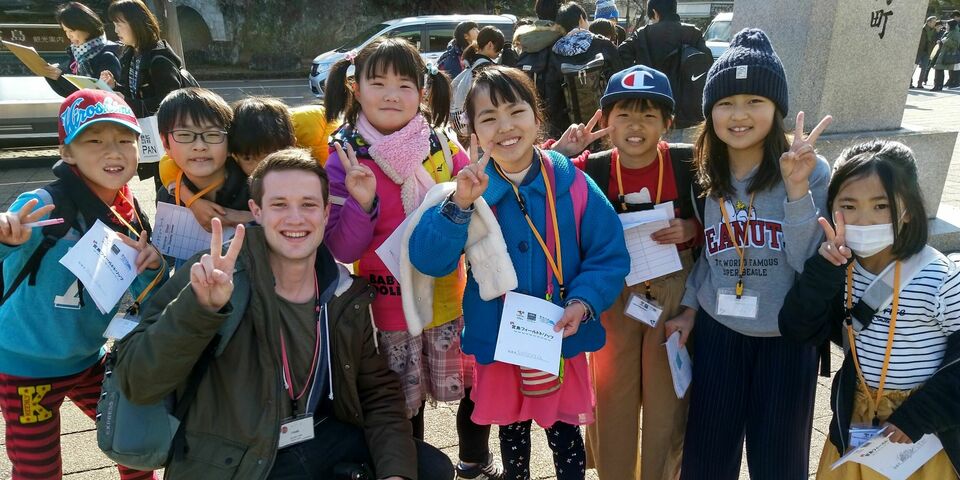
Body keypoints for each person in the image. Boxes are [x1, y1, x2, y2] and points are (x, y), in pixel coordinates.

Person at [112, 148, 454, 479]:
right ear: (256, 211)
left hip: (315, 434)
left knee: (429, 468)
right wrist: (199, 309)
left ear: (324, 213)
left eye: (308, 205)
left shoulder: (342, 292)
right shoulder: (214, 274)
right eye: (279, 205)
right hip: (233, 454)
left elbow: (377, 393)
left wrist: (396, 474)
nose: (295, 218)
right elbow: (137, 382)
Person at [409, 64, 630, 480]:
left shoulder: (574, 185)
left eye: (516, 111)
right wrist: (457, 206)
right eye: (489, 117)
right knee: (512, 439)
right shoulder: (469, 189)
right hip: (501, 340)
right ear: (472, 129)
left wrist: (583, 302)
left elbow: (609, 254)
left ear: (536, 115)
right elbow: (429, 259)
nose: (505, 127)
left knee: (567, 442)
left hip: (560, 335)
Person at [322, 38, 502, 479]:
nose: (391, 94)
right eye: (377, 82)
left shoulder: (441, 144)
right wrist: (362, 207)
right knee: (402, 403)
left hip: (450, 297)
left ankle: (474, 460)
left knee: (472, 387)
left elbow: (476, 206)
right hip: (385, 309)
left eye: (404, 84)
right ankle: (415, 468)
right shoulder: (344, 155)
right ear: (355, 88)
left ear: (422, 92)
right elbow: (341, 250)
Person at [662, 29, 833, 479]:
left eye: (754, 101)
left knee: (778, 464)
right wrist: (690, 310)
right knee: (707, 459)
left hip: (786, 338)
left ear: (776, 109)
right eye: (725, 103)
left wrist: (796, 191)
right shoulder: (705, 172)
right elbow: (711, 258)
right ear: (709, 112)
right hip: (720, 334)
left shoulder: (809, 170)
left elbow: (807, 262)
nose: (739, 115)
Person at [0, 89, 164, 480]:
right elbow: (8, 238)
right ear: (67, 152)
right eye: (94, 140)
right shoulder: (43, 204)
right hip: (26, 370)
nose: (114, 151)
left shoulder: (130, 211)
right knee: (38, 470)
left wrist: (153, 267)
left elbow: (140, 294)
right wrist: (6, 238)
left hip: (91, 360)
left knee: (135, 441)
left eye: (125, 140)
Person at [780, 140, 960, 479]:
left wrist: (922, 414)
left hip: (919, 427)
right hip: (856, 415)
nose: (864, 219)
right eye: (848, 205)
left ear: (907, 209)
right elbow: (797, 328)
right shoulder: (841, 268)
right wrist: (822, 273)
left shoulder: (939, 277)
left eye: (881, 206)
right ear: (831, 208)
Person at [558, 65, 699, 480]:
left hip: (672, 291)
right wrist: (564, 152)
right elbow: (537, 178)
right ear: (606, 121)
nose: (635, 127)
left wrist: (692, 228)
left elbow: (720, 226)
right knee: (611, 399)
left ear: (668, 123)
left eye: (649, 116)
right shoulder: (592, 167)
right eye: (623, 115)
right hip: (612, 294)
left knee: (667, 403)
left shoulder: (687, 163)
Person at [101, 0, 189, 188]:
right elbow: (135, 91)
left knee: (171, 187)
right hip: (150, 134)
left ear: (136, 24)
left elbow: (170, 102)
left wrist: (128, 102)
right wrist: (114, 86)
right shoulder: (131, 55)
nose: (115, 30)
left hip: (167, 137)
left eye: (119, 24)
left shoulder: (159, 59)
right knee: (163, 185)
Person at [154, 88, 251, 249]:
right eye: (184, 135)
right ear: (165, 144)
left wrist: (240, 217)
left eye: (212, 134)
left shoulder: (254, 189)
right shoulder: (168, 197)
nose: (200, 146)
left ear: (230, 142)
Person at [545, 2, 621, 136]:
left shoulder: (554, 51)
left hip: (569, 127)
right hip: (604, 122)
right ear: (581, 18)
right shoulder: (603, 44)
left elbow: (552, 93)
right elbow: (619, 77)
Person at [42, 2, 121, 98]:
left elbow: (98, 95)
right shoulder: (77, 54)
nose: (68, 36)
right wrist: (51, 76)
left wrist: (60, 77)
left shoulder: (107, 56)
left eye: (71, 31)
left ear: (86, 26)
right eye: (65, 31)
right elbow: (70, 95)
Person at [932, 20, 960, 91]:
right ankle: (938, 86)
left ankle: (938, 86)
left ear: (951, 26)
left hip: (948, 55)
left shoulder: (956, 33)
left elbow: (956, 45)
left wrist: (946, 41)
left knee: (939, 69)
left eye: (947, 25)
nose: (946, 26)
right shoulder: (947, 32)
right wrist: (941, 41)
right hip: (942, 53)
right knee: (938, 69)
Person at [913, 16, 940, 89]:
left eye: (935, 22)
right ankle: (909, 83)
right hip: (919, 51)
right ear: (928, 22)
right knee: (913, 67)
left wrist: (937, 33)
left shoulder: (934, 31)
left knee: (924, 68)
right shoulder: (922, 29)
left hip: (927, 52)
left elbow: (935, 41)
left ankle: (920, 84)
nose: (935, 23)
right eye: (933, 22)